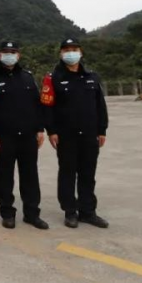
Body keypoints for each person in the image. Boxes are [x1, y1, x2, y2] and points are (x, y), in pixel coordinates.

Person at [42, 38, 109, 229]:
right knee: (67, 173)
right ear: (60, 54)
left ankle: (88, 211)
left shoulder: (92, 77)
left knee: (88, 173)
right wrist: (51, 131)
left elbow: (100, 106)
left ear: (81, 52)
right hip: (66, 135)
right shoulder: (53, 78)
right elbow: (47, 108)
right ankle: (70, 211)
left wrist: (101, 130)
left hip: (89, 134)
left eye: (74, 49)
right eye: (66, 50)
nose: (70, 53)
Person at [0, 40, 48, 230]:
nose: (9, 55)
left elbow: (38, 105)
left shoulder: (28, 78)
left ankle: (32, 213)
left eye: (13, 52)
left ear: (18, 55)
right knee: (5, 176)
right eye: (5, 52)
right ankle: (7, 213)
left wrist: (39, 129)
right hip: (5, 136)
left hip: (28, 135)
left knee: (30, 176)